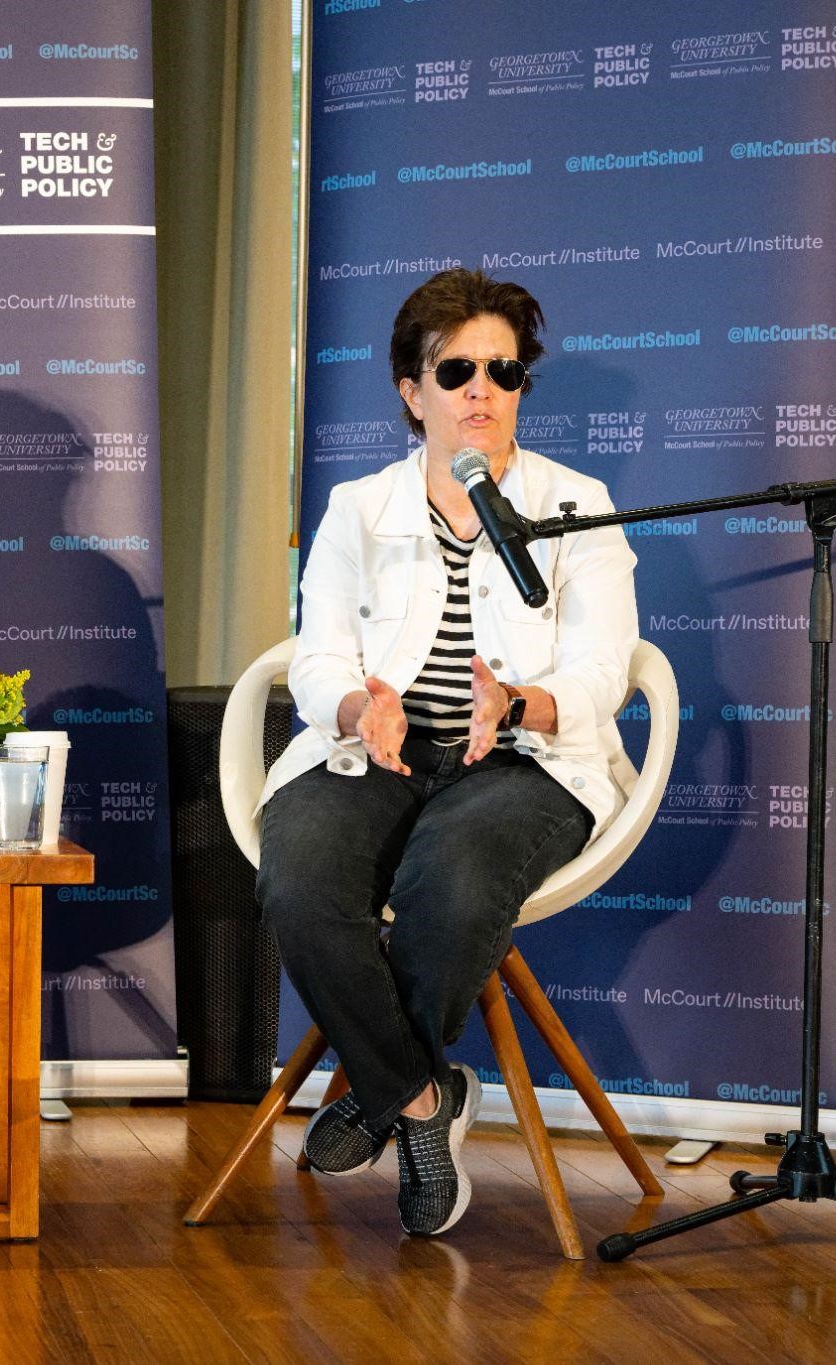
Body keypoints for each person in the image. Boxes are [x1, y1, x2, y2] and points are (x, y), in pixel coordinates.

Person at [256, 268, 638, 1237]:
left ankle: (376, 1094)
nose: (479, 390)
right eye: (455, 368)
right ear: (409, 389)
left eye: (501, 371)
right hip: (377, 752)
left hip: (522, 762)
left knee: (453, 876)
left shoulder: (574, 503)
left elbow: (603, 669)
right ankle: (422, 1101)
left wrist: (520, 701)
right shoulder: (358, 507)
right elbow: (315, 657)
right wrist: (353, 708)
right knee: (298, 880)